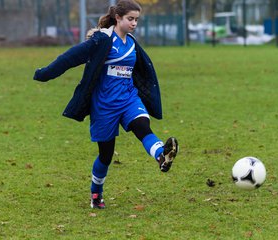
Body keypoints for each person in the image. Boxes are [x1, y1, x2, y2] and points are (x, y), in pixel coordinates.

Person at [33, 0, 178, 209]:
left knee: (142, 126)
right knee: (106, 155)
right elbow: (70, 58)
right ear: (118, 18)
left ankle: (161, 156)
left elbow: (143, 69)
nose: (134, 23)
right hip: (104, 105)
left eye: (137, 20)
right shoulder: (102, 40)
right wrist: (45, 73)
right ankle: (96, 193)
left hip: (129, 98)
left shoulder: (131, 42)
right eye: (130, 19)